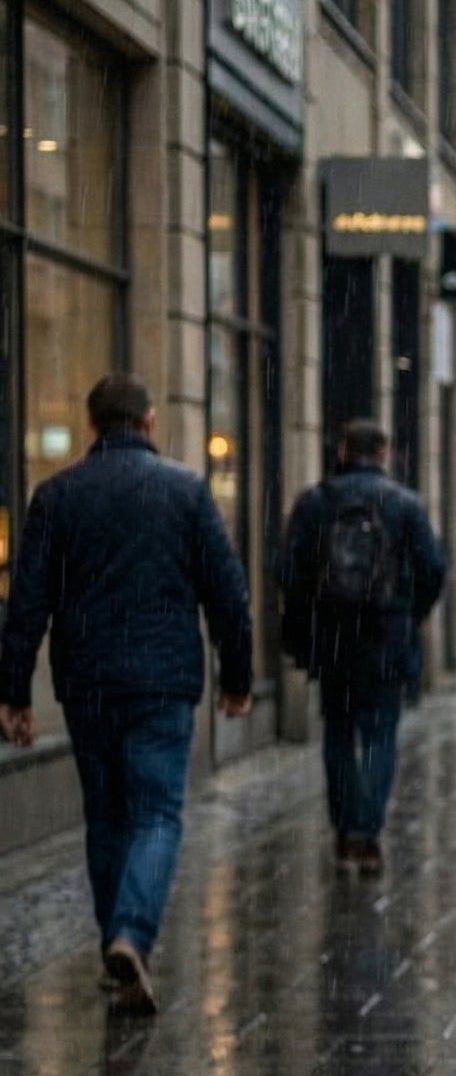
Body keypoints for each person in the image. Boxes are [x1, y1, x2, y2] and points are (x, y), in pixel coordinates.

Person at [0, 373, 254, 1015]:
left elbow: (26, 602)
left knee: (107, 813)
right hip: (163, 680)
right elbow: (228, 595)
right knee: (157, 812)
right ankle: (131, 934)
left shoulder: (56, 496)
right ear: (146, 423)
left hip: (86, 680)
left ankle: (118, 947)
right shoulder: (186, 491)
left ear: (92, 427)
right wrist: (238, 678)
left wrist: (13, 691)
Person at [279, 420, 447, 875]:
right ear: (385, 454)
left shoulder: (315, 503)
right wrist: (409, 614)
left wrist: (309, 621)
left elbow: (288, 571)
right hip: (386, 638)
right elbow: (433, 569)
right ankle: (366, 832)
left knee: (338, 732)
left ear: (342, 451)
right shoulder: (405, 505)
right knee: (379, 734)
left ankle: (342, 827)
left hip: (333, 638)